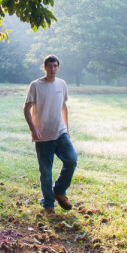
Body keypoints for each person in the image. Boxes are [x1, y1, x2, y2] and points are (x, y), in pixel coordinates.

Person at [23, 54, 77, 215]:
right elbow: (26, 108)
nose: (53, 69)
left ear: (58, 68)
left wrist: (66, 127)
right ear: (44, 67)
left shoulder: (62, 84)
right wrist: (33, 129)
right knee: (46, 171)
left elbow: (64, 106)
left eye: (55, 66)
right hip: (43, 135)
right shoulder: (36, 85)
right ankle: (48, 205)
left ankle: (59, 191)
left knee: (71, 160)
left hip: (60, 131)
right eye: (50, 66)